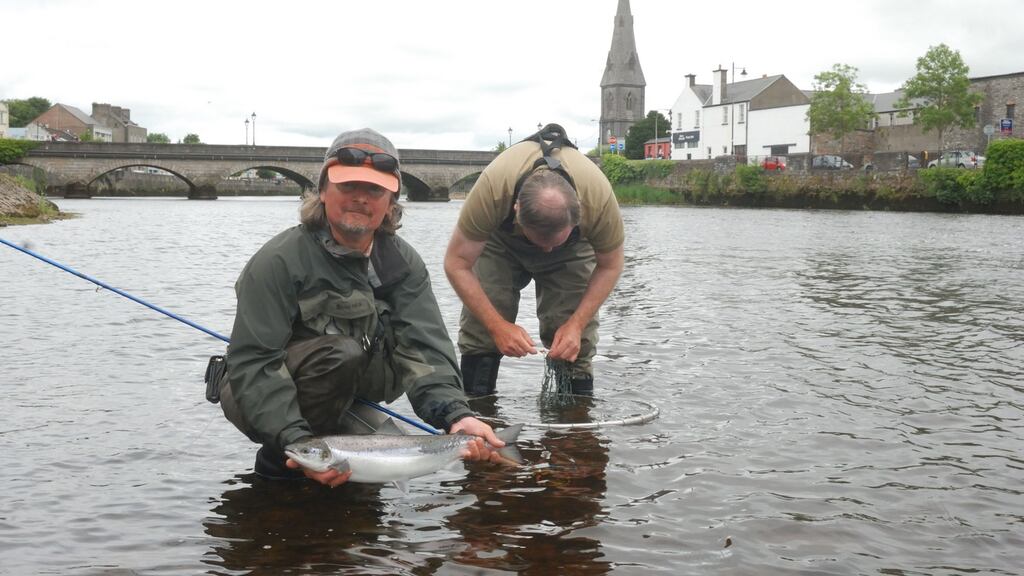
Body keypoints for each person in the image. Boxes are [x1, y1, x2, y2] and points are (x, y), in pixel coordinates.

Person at [216, 128, 504, 487]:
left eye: (374, 190)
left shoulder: (402, 264)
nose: (360, 199)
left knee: (385, 465)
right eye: (347, 186)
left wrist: (456, 416)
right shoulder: (279, 261)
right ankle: (278, 465)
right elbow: (255, 362)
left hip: (346, 398)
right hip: (253, 392)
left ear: (391, 201)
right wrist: (293, 441)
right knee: (339, 357)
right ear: (322, 191)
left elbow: (424, 348)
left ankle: (326, 468)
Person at [444, 124, 625, 397]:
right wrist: (497, 326)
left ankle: (573, 427)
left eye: (555, 244)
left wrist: (575, 325)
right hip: (501, 243)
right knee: (482, 328)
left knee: (574, 339)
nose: (547, 251)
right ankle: (475, 416)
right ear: (516, 210)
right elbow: (456, 263)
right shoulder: (494, 188)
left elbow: (611, 265)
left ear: (578, 213)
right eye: (542, 243)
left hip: (573, 252)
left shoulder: (597, 198)